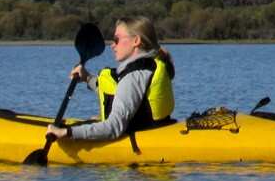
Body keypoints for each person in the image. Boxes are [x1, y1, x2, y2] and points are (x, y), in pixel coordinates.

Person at [45, 17, 176, 142]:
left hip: (137, 141)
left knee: (89, 123)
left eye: (116, 39)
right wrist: (87, 78)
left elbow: (114, 127)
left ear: (136, 41)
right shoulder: (148, 66)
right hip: (154, 130)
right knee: (94, 119)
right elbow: (118, 92)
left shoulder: (134, 76)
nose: (112, 45)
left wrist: (66, 132)